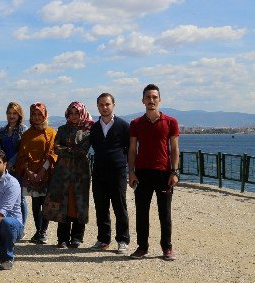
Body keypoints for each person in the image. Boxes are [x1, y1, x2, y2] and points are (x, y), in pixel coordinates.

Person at [128, 84, 180, 261]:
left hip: (164, 173)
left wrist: (174, 172)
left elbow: (174, 149)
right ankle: (142, 247)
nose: (151, 100)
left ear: (159, 99)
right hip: (142, 173)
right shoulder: (135, 124)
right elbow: (132, 149)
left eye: (154, 97)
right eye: (148, 97)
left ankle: (167, 248)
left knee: (164, 213)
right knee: (141, 212)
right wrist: (131, 172)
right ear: (143, 100)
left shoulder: (171, 122)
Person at [44, 102, 93, 249]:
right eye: (71, 113)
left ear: (82, 114)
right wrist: (72, 150)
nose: (73, 116)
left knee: (79, 203)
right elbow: (57, 148)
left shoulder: (87, 131)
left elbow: (83, 150)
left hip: (81, 173)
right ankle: (62, 238)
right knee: (63, 203)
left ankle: (77, 237)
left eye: (76, 113)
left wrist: (68, 150)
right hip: (63, 173)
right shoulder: (62, 129)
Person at [90, 93, 130, 254]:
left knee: (120, 206)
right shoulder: (94, 127)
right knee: (101, 207)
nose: (104, 107)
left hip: (117, 172)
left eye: (107, 104)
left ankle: (123, 240)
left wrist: (125, 165)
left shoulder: (123, 125)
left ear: (113, 104)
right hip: (99, 172)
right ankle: (103, 239)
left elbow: (130, 148)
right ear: (98, 106)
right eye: (101, 105)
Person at [15, 103, 57, 245]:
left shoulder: (51, 132)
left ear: (44, 115)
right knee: (35, 203)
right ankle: (38, 231)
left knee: (45, 204)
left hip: (46, 173)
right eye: (34, 114)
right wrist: (29, 172)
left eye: (39, 114)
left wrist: (42, 171)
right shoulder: (27, 135)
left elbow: (52, 153)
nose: (37, 117)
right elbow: (23, 155)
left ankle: (43, 232)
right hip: (31, 174)